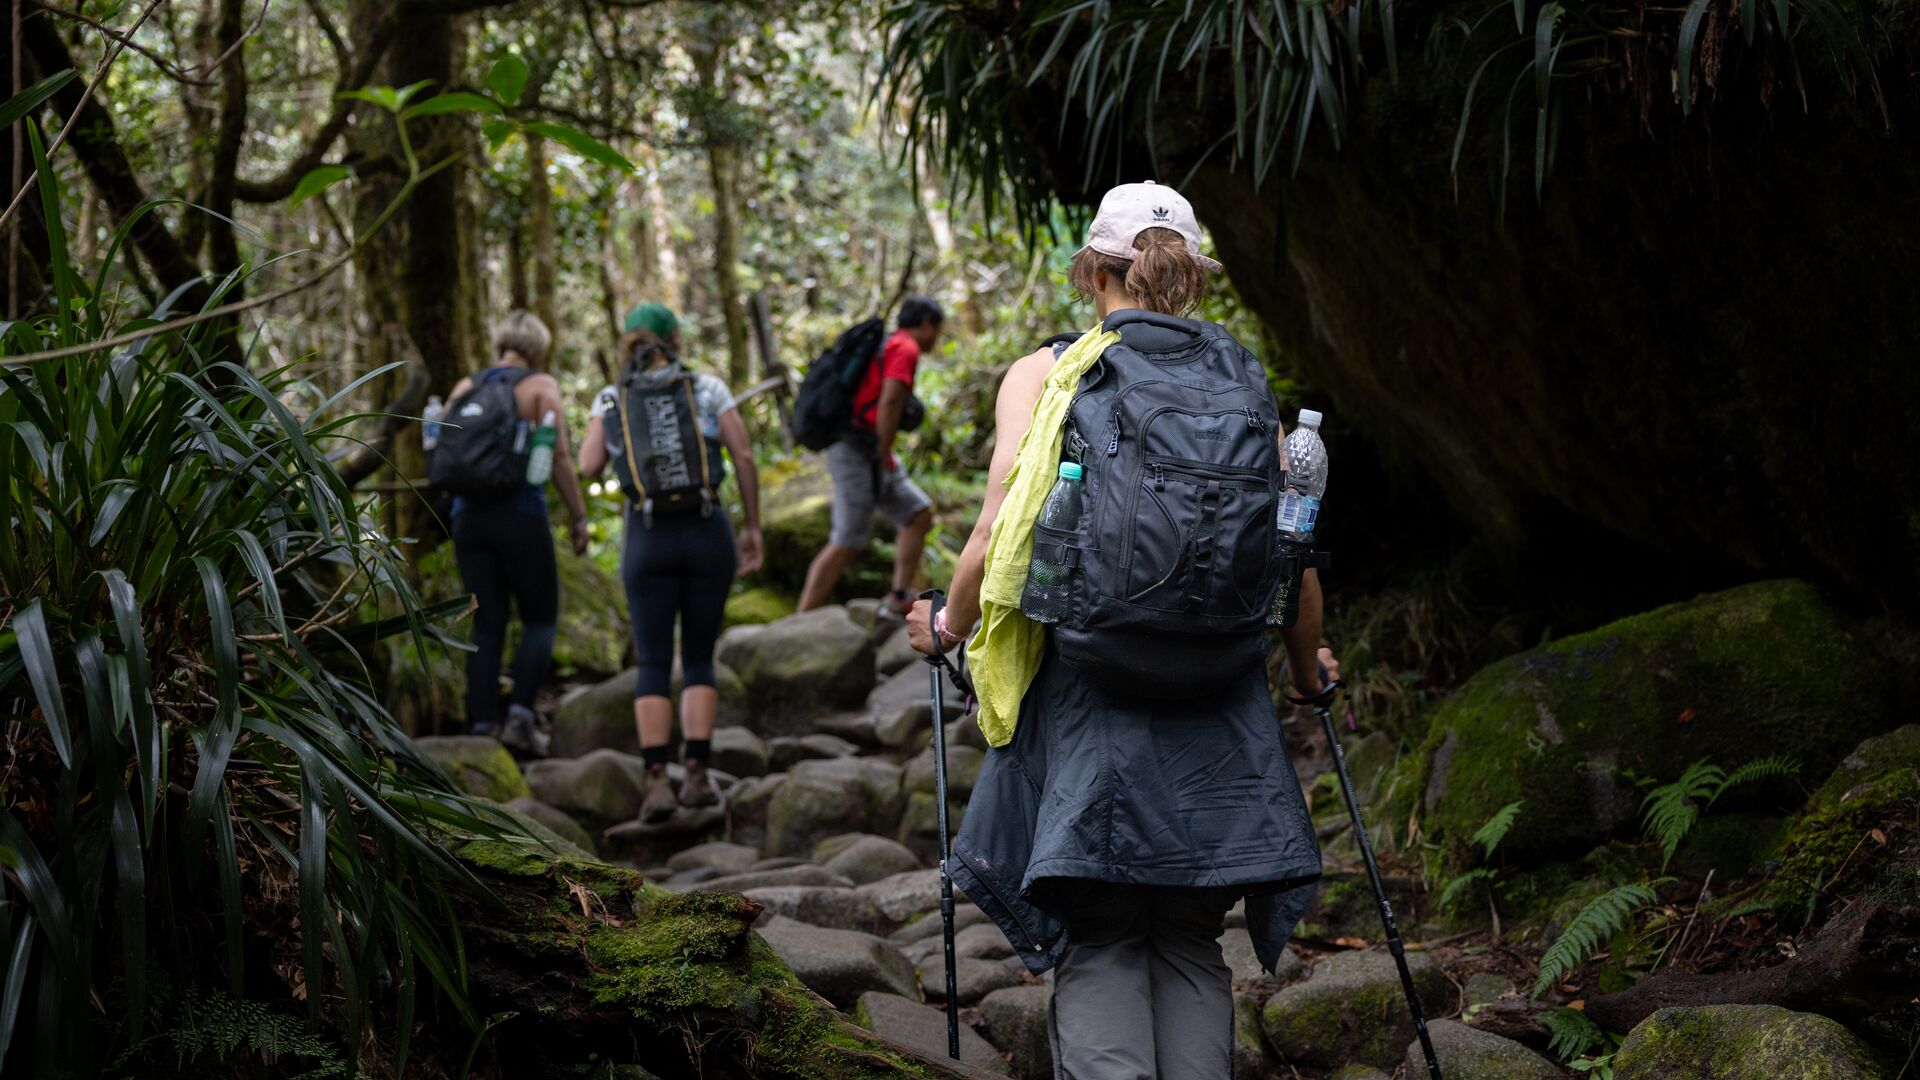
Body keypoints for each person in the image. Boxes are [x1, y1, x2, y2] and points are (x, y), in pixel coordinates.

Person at [907, 183, 1338, 1078]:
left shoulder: (1052, 370)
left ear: (1092, 272)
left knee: (1102, 934)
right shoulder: (1241, 377)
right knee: (1188, 934)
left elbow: (996, 534)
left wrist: (945, 625)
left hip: (1092, 695)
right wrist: (1307, 670)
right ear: (1191, 278)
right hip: (1220, 701)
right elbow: (1290, 549)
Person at [578, 303, 763, 822]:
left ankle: (656, 781)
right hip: (707, 532)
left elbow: (589, 463)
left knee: (655, 660)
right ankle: (698, 774)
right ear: (674, 339)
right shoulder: (705, 387)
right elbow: (743, 457)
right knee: (700, 655)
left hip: (647, 537)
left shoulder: (613, 396)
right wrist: (752, 526)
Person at [446, 311, 589, 754]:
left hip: (467, 517)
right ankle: (522, 719)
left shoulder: (465, 387)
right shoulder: (540, 387)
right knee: (540, 618)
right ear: (538, 347)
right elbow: (560, 456)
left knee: (486, 624)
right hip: (521, 514)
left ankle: (483, 727)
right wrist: (578, 516)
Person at [796, 295, 942, 615]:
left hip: (870, 449)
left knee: (918, 514)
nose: (937, 338)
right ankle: (799, 622)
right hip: (857, 450)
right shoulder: (904, 348)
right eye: (937, 330)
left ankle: (900, 595)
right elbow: (890, 401)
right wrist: (882, 450)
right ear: (927, 323)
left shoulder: (888, 344)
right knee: (847, 541)